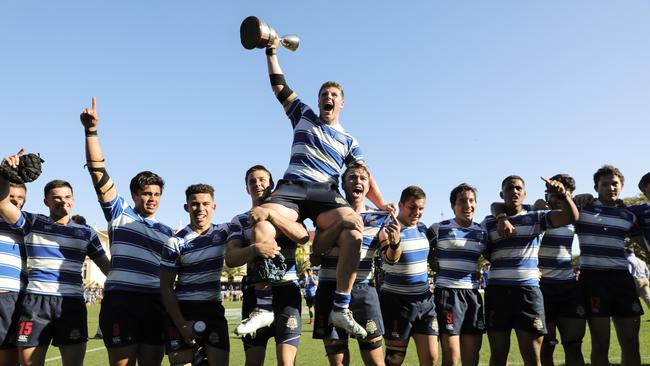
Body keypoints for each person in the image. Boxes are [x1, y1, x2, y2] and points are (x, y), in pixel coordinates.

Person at [250, 33, 392, 338]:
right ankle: (262, 307)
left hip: (325, 192)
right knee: (259, 219)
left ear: (342, 102)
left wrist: (381, 204)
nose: (328, 98)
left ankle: (341, 308)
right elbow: (280, 87)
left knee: (354, 228)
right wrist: (271, 52)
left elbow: (365, 174)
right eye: (324, 94)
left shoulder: (350, 140)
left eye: (333, 95)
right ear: (318, 100)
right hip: (292, 188)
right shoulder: (303, 114)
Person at [80, 97, 174, 366]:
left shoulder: (168, 232)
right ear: (135, 194)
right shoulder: (119, 212)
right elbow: (97, 172)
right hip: (121, 301)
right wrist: (91, 131)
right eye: (146, 193)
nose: (152, 198)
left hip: (155, 302)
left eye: (157, 194)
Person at [0, 150, 111, 366]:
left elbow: (107, 267)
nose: (63, 202)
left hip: (71, 303)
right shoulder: (32, 222)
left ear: (74, 200)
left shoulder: (86, 232)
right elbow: (3, 204)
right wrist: (5, 173)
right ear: (46, 201)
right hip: (35, 303)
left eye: (67, 197)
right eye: (56, 198)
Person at [486, 175, 578, 366]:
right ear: (501, 193)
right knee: (497, 355)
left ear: (525, 193)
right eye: (510, 188)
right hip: (497, 292)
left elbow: (570, 216)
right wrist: (501, 217)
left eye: (519, 188)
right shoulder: (488, 222)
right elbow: (484, 251)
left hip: (528, 292)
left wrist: (563, 195)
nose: (515, 191)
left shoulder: (536, 217)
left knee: (533, 358)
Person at [311, 162, 394, 366]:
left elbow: (391, 258)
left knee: (375, 362)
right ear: (343, 184)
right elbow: (316, 253)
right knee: (338, 363)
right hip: (329, 289)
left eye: (362, 178)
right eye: (352, 178)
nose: (358, 181)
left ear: (368, 186)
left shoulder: (379, 217)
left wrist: (396, 242)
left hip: (364, 290)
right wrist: (341, 223)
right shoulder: (329, 213)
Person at [225, 165, 307, 366]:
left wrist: (271, 216)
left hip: (287, 290)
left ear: (271, 184)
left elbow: (303, 236)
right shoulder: (240, 220)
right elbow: (231, 258)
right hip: (255, 293)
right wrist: (255, 249)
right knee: (253, 362)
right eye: (252, 181)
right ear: (246, 189)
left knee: (287, 363)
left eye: (262, 180)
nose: (257, 184)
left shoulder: (289, 212)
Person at [571, 165, 646, 366]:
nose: (610, 188)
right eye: (605, 184)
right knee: (601, 343)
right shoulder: (582, 208)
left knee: (631, 343)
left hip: (621, 280)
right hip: (593, 280)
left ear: (621, 186)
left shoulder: (628, 215)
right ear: (596, 187)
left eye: (615, 184)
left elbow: (644, 246)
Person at [160, 184, 231, 365]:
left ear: (214, 207)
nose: (200, 209)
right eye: (195, 204)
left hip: (212, 309)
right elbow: (166, 287)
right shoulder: (175, 241)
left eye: (205, 204)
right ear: (186, 207)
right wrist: (181, 323)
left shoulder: (224, 232)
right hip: (183, 310)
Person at [428, 183, 487, 366]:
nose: (467, 205)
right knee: (452, 358)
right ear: (453, 205)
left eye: (471, 201)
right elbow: (422, 246)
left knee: (472, 358)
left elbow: (493, 255)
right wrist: (431, 260)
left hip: (472, 295)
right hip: (448, 294)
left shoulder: (482, 232)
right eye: (462, 201)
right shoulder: (439, 228)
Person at [380, 186, 438, 366]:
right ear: (401, 205)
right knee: (394, 359)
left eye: (421, 208)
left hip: (425, 301)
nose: (417, 212)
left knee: (431, 358)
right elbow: (389, 260)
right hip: (396, 302)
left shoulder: (423, 229)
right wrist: (395, 243)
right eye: (412, 207)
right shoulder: (387, 228)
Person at [0, 182, 27, 366]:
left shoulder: (27, 225)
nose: (16, 201)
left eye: (21, 198)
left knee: (8, 357)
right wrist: (5, 172)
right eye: (11, 197)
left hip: (12, 297)